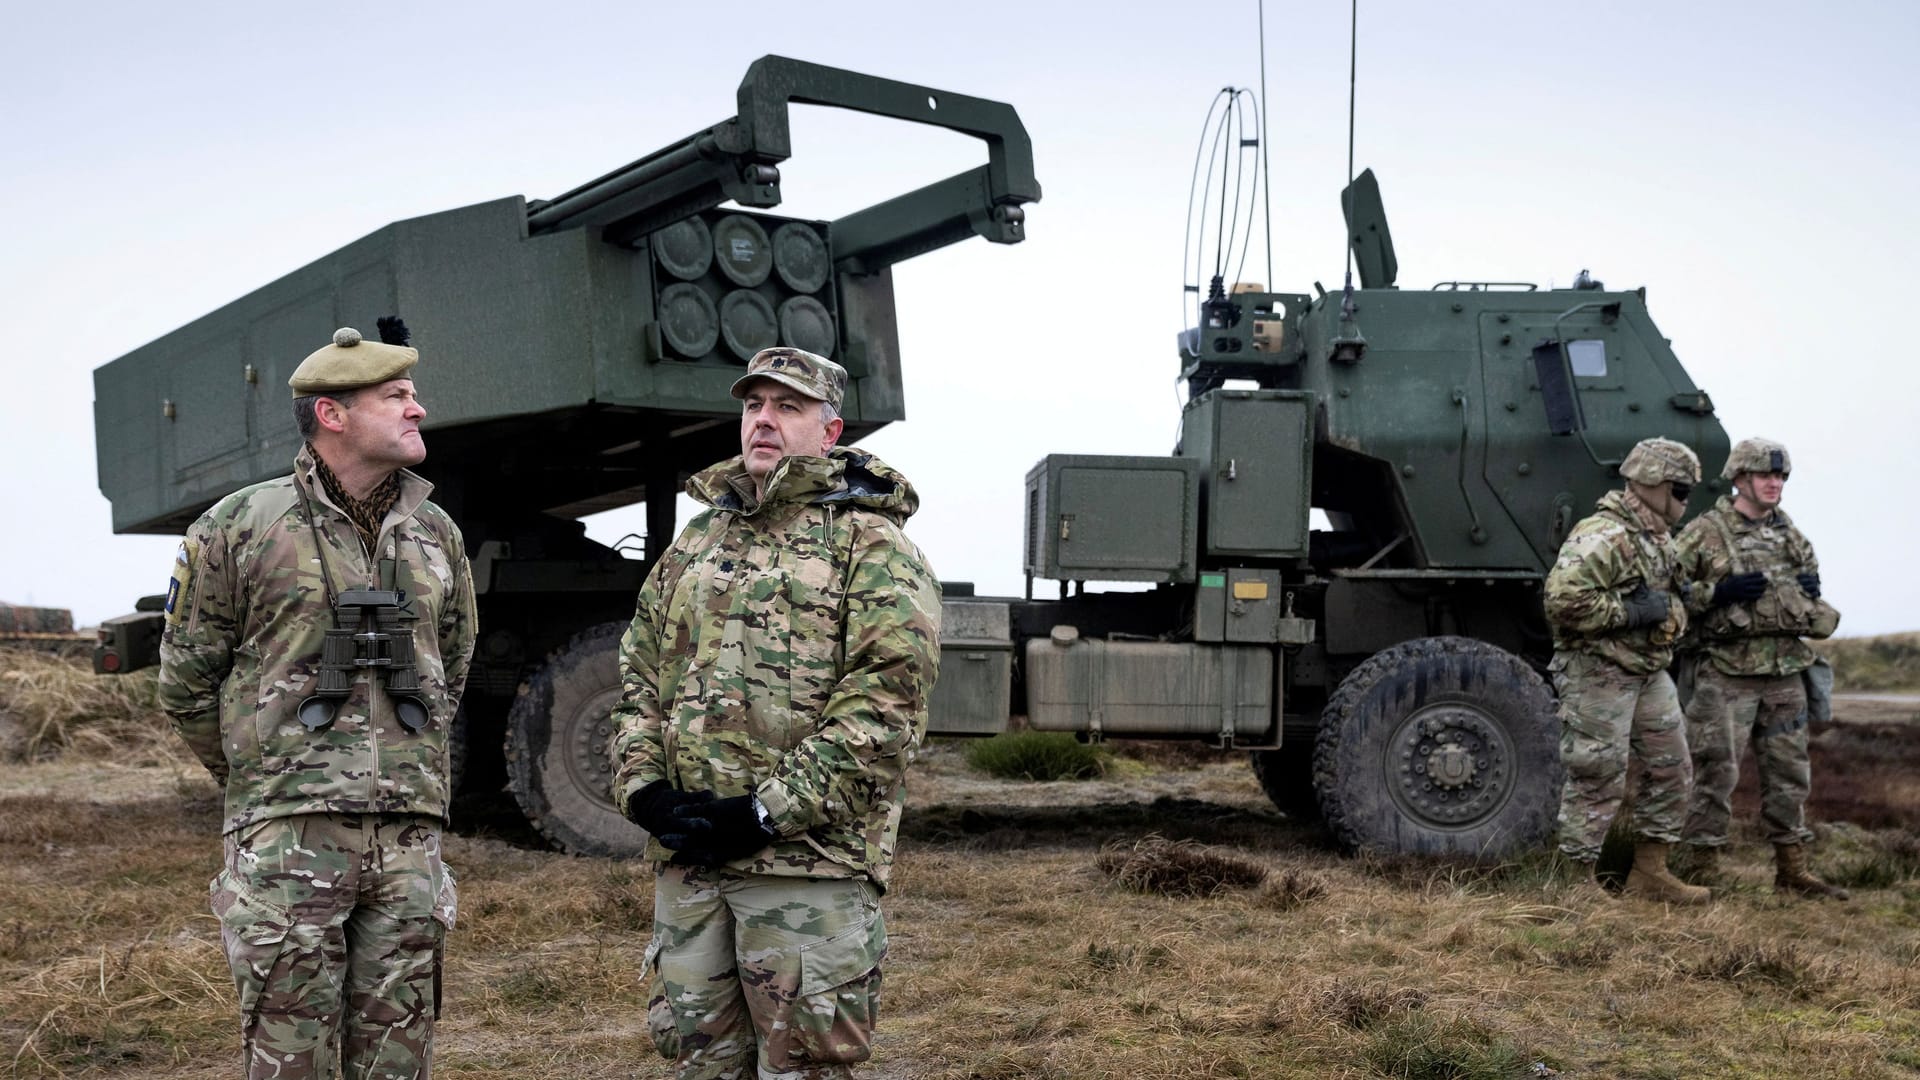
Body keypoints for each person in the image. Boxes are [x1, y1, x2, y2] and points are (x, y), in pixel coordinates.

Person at [609, 346, 941, 1079]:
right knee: (701, 1063)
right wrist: (645, 790)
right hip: (691, 868)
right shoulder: (698, 542)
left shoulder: (871, 545)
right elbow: (639, 676)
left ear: (831, 431)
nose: (764, 420)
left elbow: (884, 710)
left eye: (788, 407)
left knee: (803, 1068)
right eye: (754, 405)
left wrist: (763, 813)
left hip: (805, 872)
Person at [159, 320, 477, 1078]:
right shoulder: (239, 527)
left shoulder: (436, 533)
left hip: (407, 844)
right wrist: (268, 776)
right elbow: (186, 682)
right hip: (285, 844)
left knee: (400, 1059)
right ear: (332, 415)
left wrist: (406, 768)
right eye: (396, 395)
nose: (418, 409)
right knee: (290, 1057)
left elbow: (452, 666)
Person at [1674, 437, 1847, 899]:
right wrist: (1719, 593)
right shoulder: (1703, 533)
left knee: (1790, 774)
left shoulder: (1791, 536)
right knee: (1715, 772)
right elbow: (1667, 594)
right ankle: (1700, 868)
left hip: (1784, 671)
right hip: (1726, 673)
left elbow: (1806, 600)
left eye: (1781, 476)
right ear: (1739, 478)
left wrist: (1812, 590)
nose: (1775, 484)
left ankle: (1792, 869)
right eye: (1765, 475)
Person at [1544, 436, 1710, 904]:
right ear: (1653, 484)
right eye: (1680, 490)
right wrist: (1630, 613)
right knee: (1597, 771)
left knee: (1673, 768)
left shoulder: (1657, 538)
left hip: (1648, 670)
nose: (1685, 500)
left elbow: (1670, 599)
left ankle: (1649, 873)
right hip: (1599, 670)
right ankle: (1576, 884)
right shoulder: (1604, 534)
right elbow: (1563, 601)